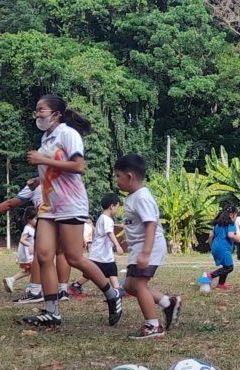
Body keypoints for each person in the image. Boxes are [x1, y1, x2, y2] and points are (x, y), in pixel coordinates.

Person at [20, 95, 123, 329]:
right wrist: (39, 178)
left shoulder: (68, 134)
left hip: (71, 204)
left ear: (55, 114)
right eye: (36, 110)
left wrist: (40, 159)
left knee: (74, 257)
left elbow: (78, 166)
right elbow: (55, 170)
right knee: (44, 255)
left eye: (41, 110)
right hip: (49, 206)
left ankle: (111, 293)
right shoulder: (45, 138)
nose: (37, 115)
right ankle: (51, 312)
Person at [114, 153, 182, 339]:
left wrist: (145, 253)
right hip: (139, 248)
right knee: (129, 286)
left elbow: (150, 224)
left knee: (140, 285)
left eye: (118, 176)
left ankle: (153, 325)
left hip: (148, 247)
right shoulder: (133, 196)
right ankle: (168, 302)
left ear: (129, 176)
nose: (116, 181)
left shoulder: (142, 197)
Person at [70, 193, 124, 297]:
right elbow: (109, 232)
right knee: (95, 272)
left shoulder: (102, 218)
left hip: (102, 252)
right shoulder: (107, 219)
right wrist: (117, 245)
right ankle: (76, 285)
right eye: (117, 207)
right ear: (112, 206)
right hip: (100, 253)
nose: (117, 211)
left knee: (110, 270)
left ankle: (117, 289)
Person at [208, 204, 240, 289]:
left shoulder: (217, 225)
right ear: (232, 215)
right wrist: (239, 239)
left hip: (215, 247)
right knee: (229, 268)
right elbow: (230, 235)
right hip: (224, 248)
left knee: (225, 266)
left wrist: (212, 247)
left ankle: (221, 284)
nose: (236, 218)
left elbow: (210, 236)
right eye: (236, 216)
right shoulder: (230, 224)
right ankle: (210, 275)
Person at [4, 209, 37, 293]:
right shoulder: (28, 228)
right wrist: (30, 245)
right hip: (28, 254)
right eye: (36, 219)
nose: (37, 221)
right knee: (34, 270)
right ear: (29, 219)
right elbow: (22, 239)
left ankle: (13, 280)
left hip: (30, 254)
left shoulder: (32, 228)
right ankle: (31, 286)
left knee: (29, 271)